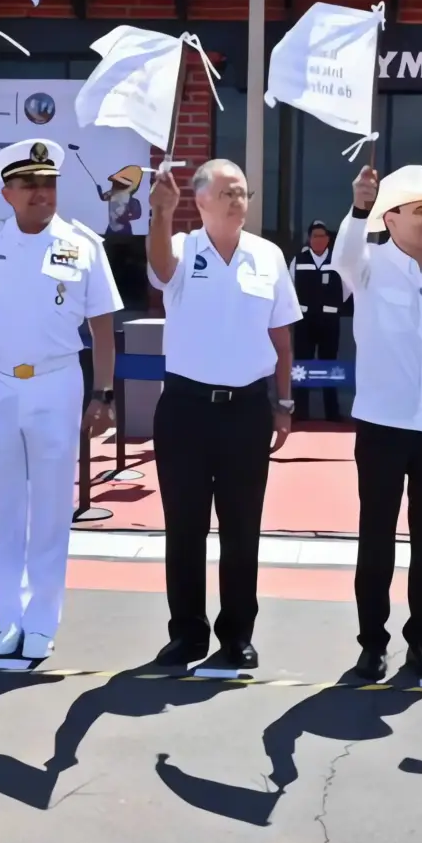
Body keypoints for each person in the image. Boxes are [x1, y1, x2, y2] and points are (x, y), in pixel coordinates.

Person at [0, 141, 118, 661]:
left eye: (49, 183)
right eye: (30, 184)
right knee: (3, 505)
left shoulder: (83, 244)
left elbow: (103, 329)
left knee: (53, 506)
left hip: (56, 382)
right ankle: (7, 617)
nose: (42, 193)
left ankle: (41, 618)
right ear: (7, 193)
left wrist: (103, 393)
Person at [145, 158, 299, 671]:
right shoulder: (181, 247)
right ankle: (187, 633)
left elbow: (281, 336)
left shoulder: (268, 256)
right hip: (185, 409)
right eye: (228, 192)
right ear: (201, 200)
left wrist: (284, 402)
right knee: (184, 527)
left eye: (243, 192)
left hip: (247, 410)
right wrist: (161, 214)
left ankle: (237, 634)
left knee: (241, 528)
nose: (238, 200)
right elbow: (159, 270)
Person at [335, 164, 422, 682]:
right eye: (420, 211)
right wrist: (358, 207)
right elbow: (345, 254)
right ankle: (372, 644)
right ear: (389, 219)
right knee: (377, 539)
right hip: (383, 424)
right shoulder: (367, 264)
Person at [289, 220, 346, 422]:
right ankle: (300, 411)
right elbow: (290, 287)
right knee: (302, 366)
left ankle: (332, 413)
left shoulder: (338, 261)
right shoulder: (299, 260)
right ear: (309, 239)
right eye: (315, 236)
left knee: (329, 365)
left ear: (328, 239)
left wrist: (333, 304)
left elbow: (347, 288)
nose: (319, 240)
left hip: (329, 321)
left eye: (322, 236)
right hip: (304, 321)